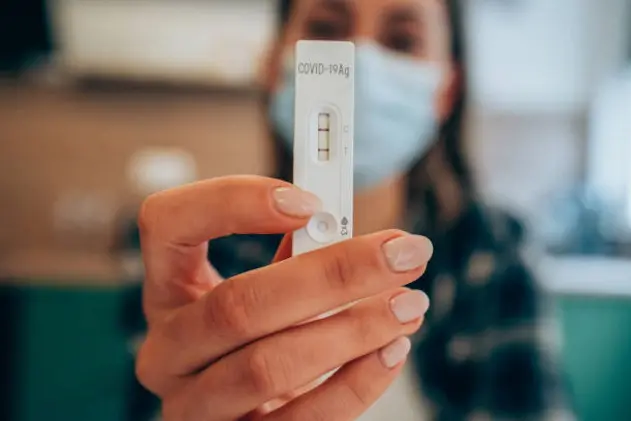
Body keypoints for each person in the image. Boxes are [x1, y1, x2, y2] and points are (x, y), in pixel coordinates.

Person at [135, 0, 575, 420]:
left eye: (402, 40)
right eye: (325, 31)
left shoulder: (493, 250)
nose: (359, 59)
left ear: (447, 89)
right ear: (273, 66)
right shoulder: (202, 255)